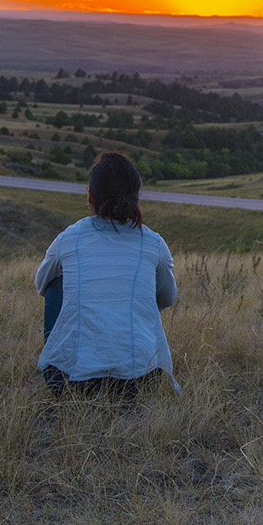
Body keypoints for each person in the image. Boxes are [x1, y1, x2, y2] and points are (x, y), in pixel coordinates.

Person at [35, 152, 178, 397]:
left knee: (56, 283)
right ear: (136, 197)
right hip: (142, 379)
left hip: (77, 383)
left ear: (90, 195)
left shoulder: (69, 239)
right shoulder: (153, 243)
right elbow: (167, 299)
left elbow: (41, 285)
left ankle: (59, 368)